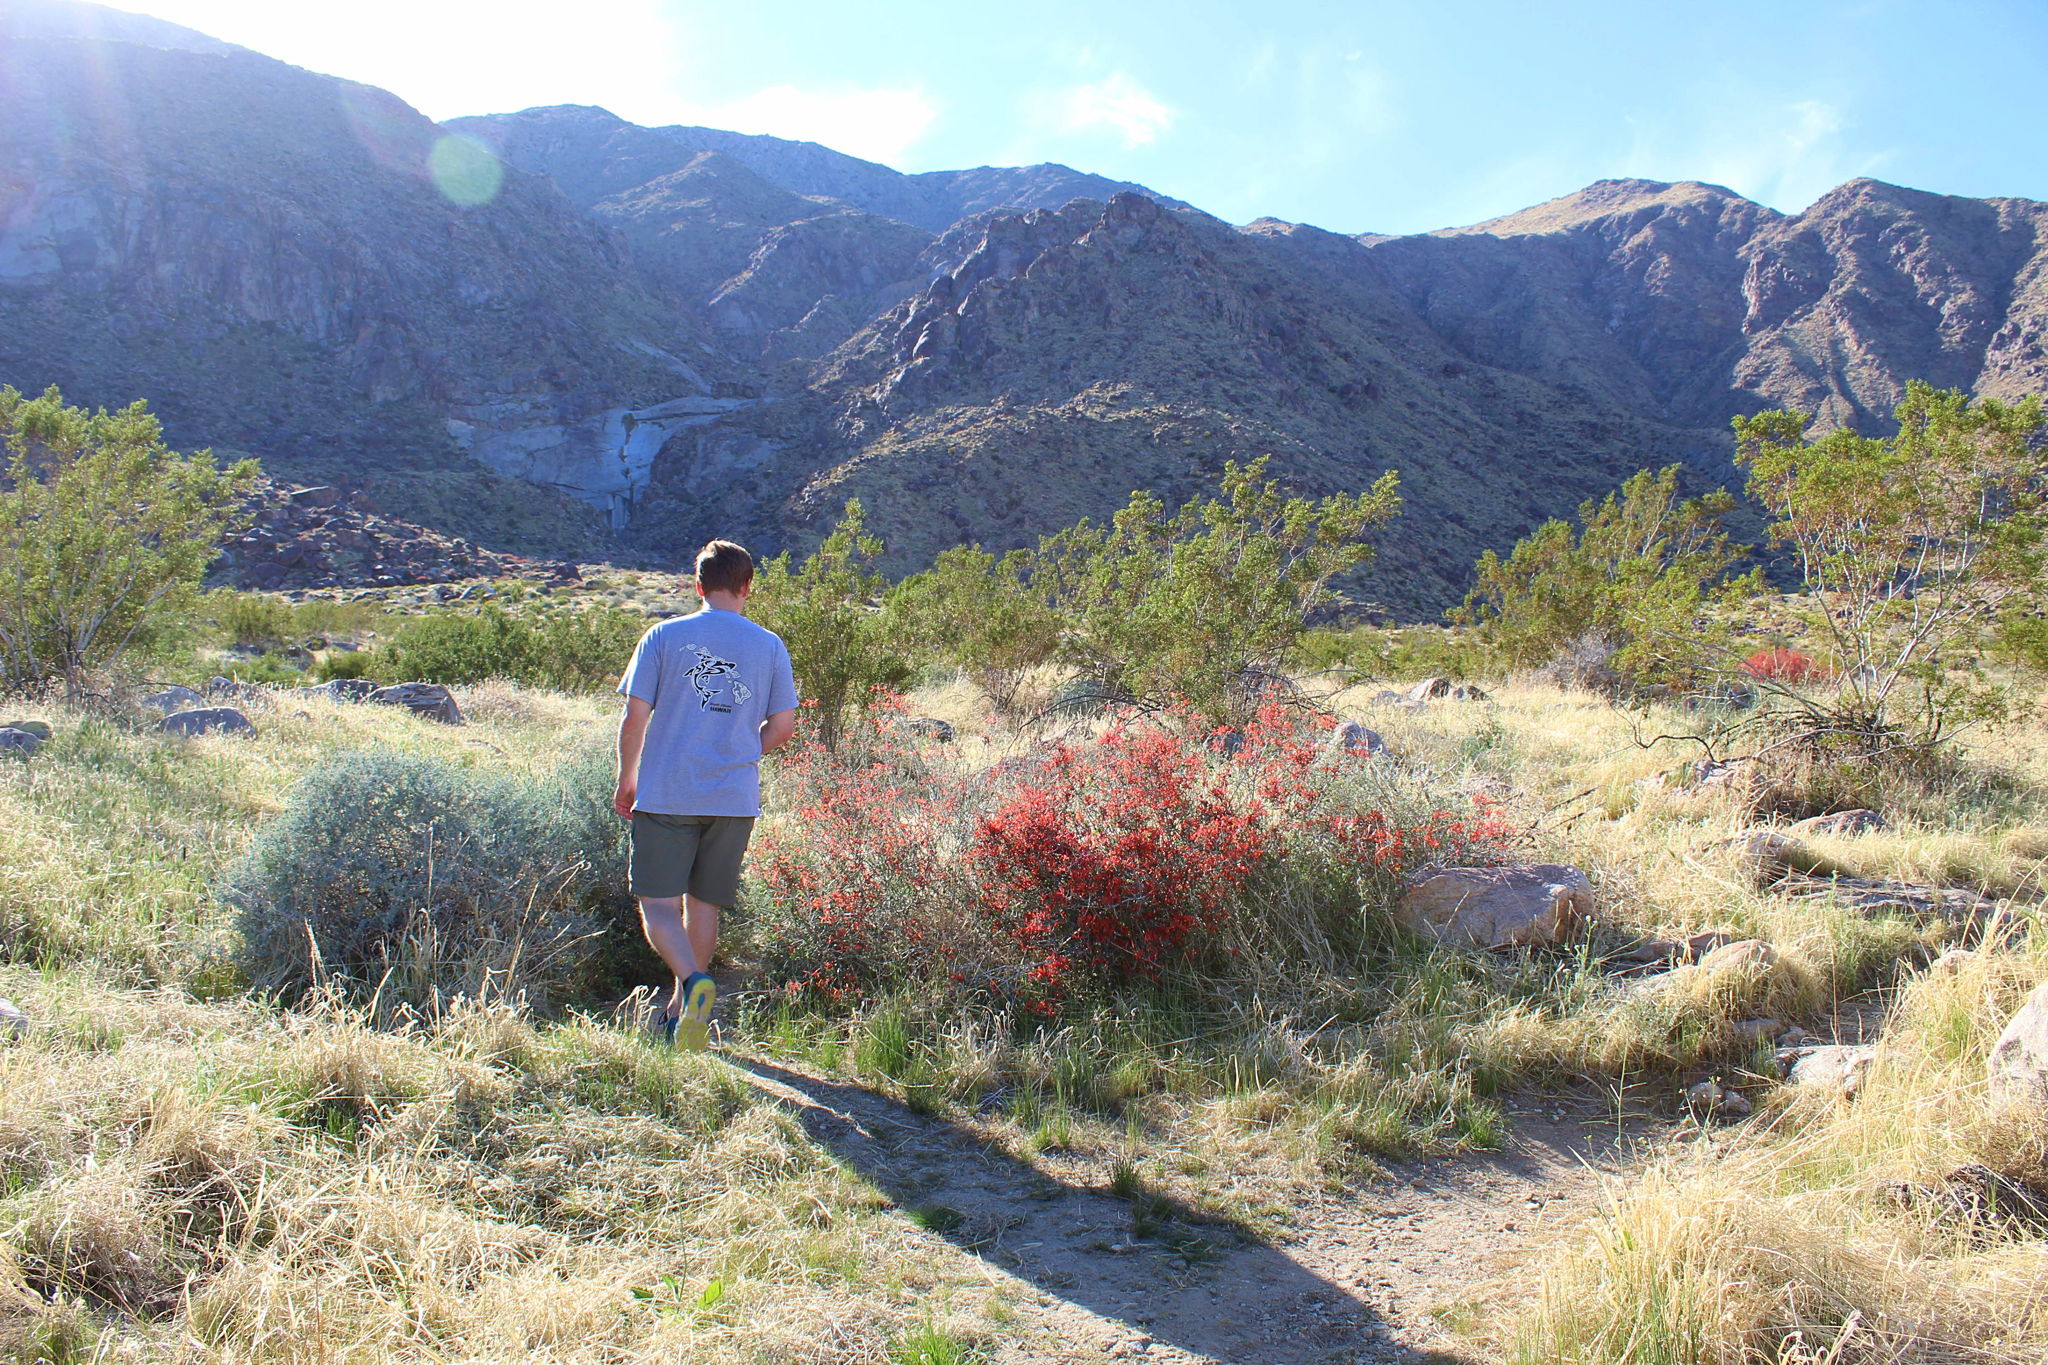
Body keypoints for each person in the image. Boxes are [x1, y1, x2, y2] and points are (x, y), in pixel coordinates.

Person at [613, 540, 798, 1050]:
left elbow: (634, 717)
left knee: (657, 907)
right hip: (733, 798)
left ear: (697, 586)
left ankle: (693, 986)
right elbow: (783, 725)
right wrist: (743, 753)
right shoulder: (769, 646)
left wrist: (627, 778)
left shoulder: (663, 636)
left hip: (667, 792)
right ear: (747, 587)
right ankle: (683, 1018)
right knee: (705, 905)